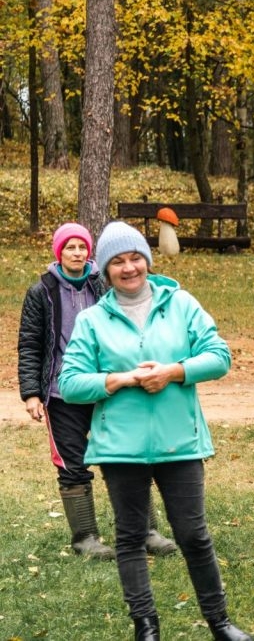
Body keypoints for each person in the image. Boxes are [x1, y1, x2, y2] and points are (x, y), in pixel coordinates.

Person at [58, 222, 251, 641]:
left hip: (178, 441)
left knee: (193, 535)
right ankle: (146, 627)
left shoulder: (180, 304)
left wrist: (174, 371)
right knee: (129, 538)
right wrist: (120, 379)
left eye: (135, 259)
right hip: (119, 448)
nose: (128, 268)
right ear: (104, 270)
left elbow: (219, 356)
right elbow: (70, 384)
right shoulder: (92, 320)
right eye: (117, 262)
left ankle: (220, 623)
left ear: (147, 261)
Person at [18, 223, 176, 561]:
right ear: (57, 252)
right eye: (70, 247)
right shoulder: (41, 291)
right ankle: (85, 537)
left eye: (82, 247)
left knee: (128, 457)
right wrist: (32, 392)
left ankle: (146, 530)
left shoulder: (104, 283)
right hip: (63, 395)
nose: (77, 253)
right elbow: (30, 344)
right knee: (73, 464)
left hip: (111, 388)